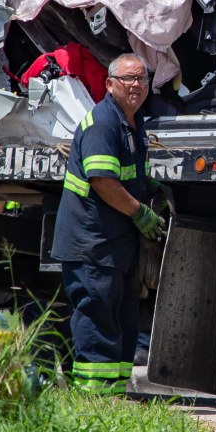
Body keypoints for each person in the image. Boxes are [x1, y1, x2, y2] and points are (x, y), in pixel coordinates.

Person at [52, 53, 164, 395]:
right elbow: (102, 181)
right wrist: (140, 212)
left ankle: (111, 392)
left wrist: (150, 187)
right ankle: (92, 396)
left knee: (121, 320)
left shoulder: (133, 122)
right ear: (110, 84)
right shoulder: (103, 123)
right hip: (91, 242)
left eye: (141, 79)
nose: (135, 86)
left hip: (112, 243)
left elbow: (128, 173)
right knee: (97, 316)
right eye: (127, 79)